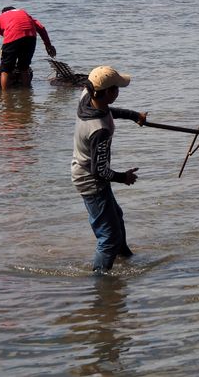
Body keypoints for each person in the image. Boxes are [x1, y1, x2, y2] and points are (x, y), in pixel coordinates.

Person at [71, 66, 148, 273]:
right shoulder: (100, 131)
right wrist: (124, 177)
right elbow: (99, 171)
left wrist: (133, 116)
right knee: (108, 237)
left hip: (86, 172)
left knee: (116, 217)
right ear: (108, 92)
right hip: (91, 181)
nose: (118, 92)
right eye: (116, 89)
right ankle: (100, 283)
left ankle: (125, 258)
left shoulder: (87, 96)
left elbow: (107, 110)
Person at [0, 6, 57, 90]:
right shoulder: (23, 13)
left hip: (12, 37)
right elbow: (41, 28)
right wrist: (48, 45)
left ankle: (5, 96)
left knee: (6, 70)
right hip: (30, 37)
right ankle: (26, 93)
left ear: (3, 13)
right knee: (24, 68)